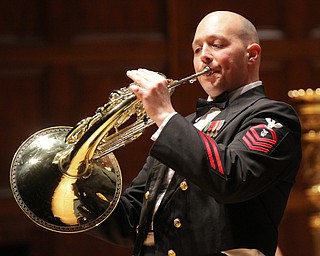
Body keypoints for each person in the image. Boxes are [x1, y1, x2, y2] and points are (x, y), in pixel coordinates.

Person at [89, 11, 302, 256]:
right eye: (197, 49)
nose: (204, 56)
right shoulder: (183, 128)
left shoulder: (273, 117)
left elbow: (231, 177)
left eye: (217, 45)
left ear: (251, 54)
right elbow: (130, 220)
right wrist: (77, 192)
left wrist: (164, 116)